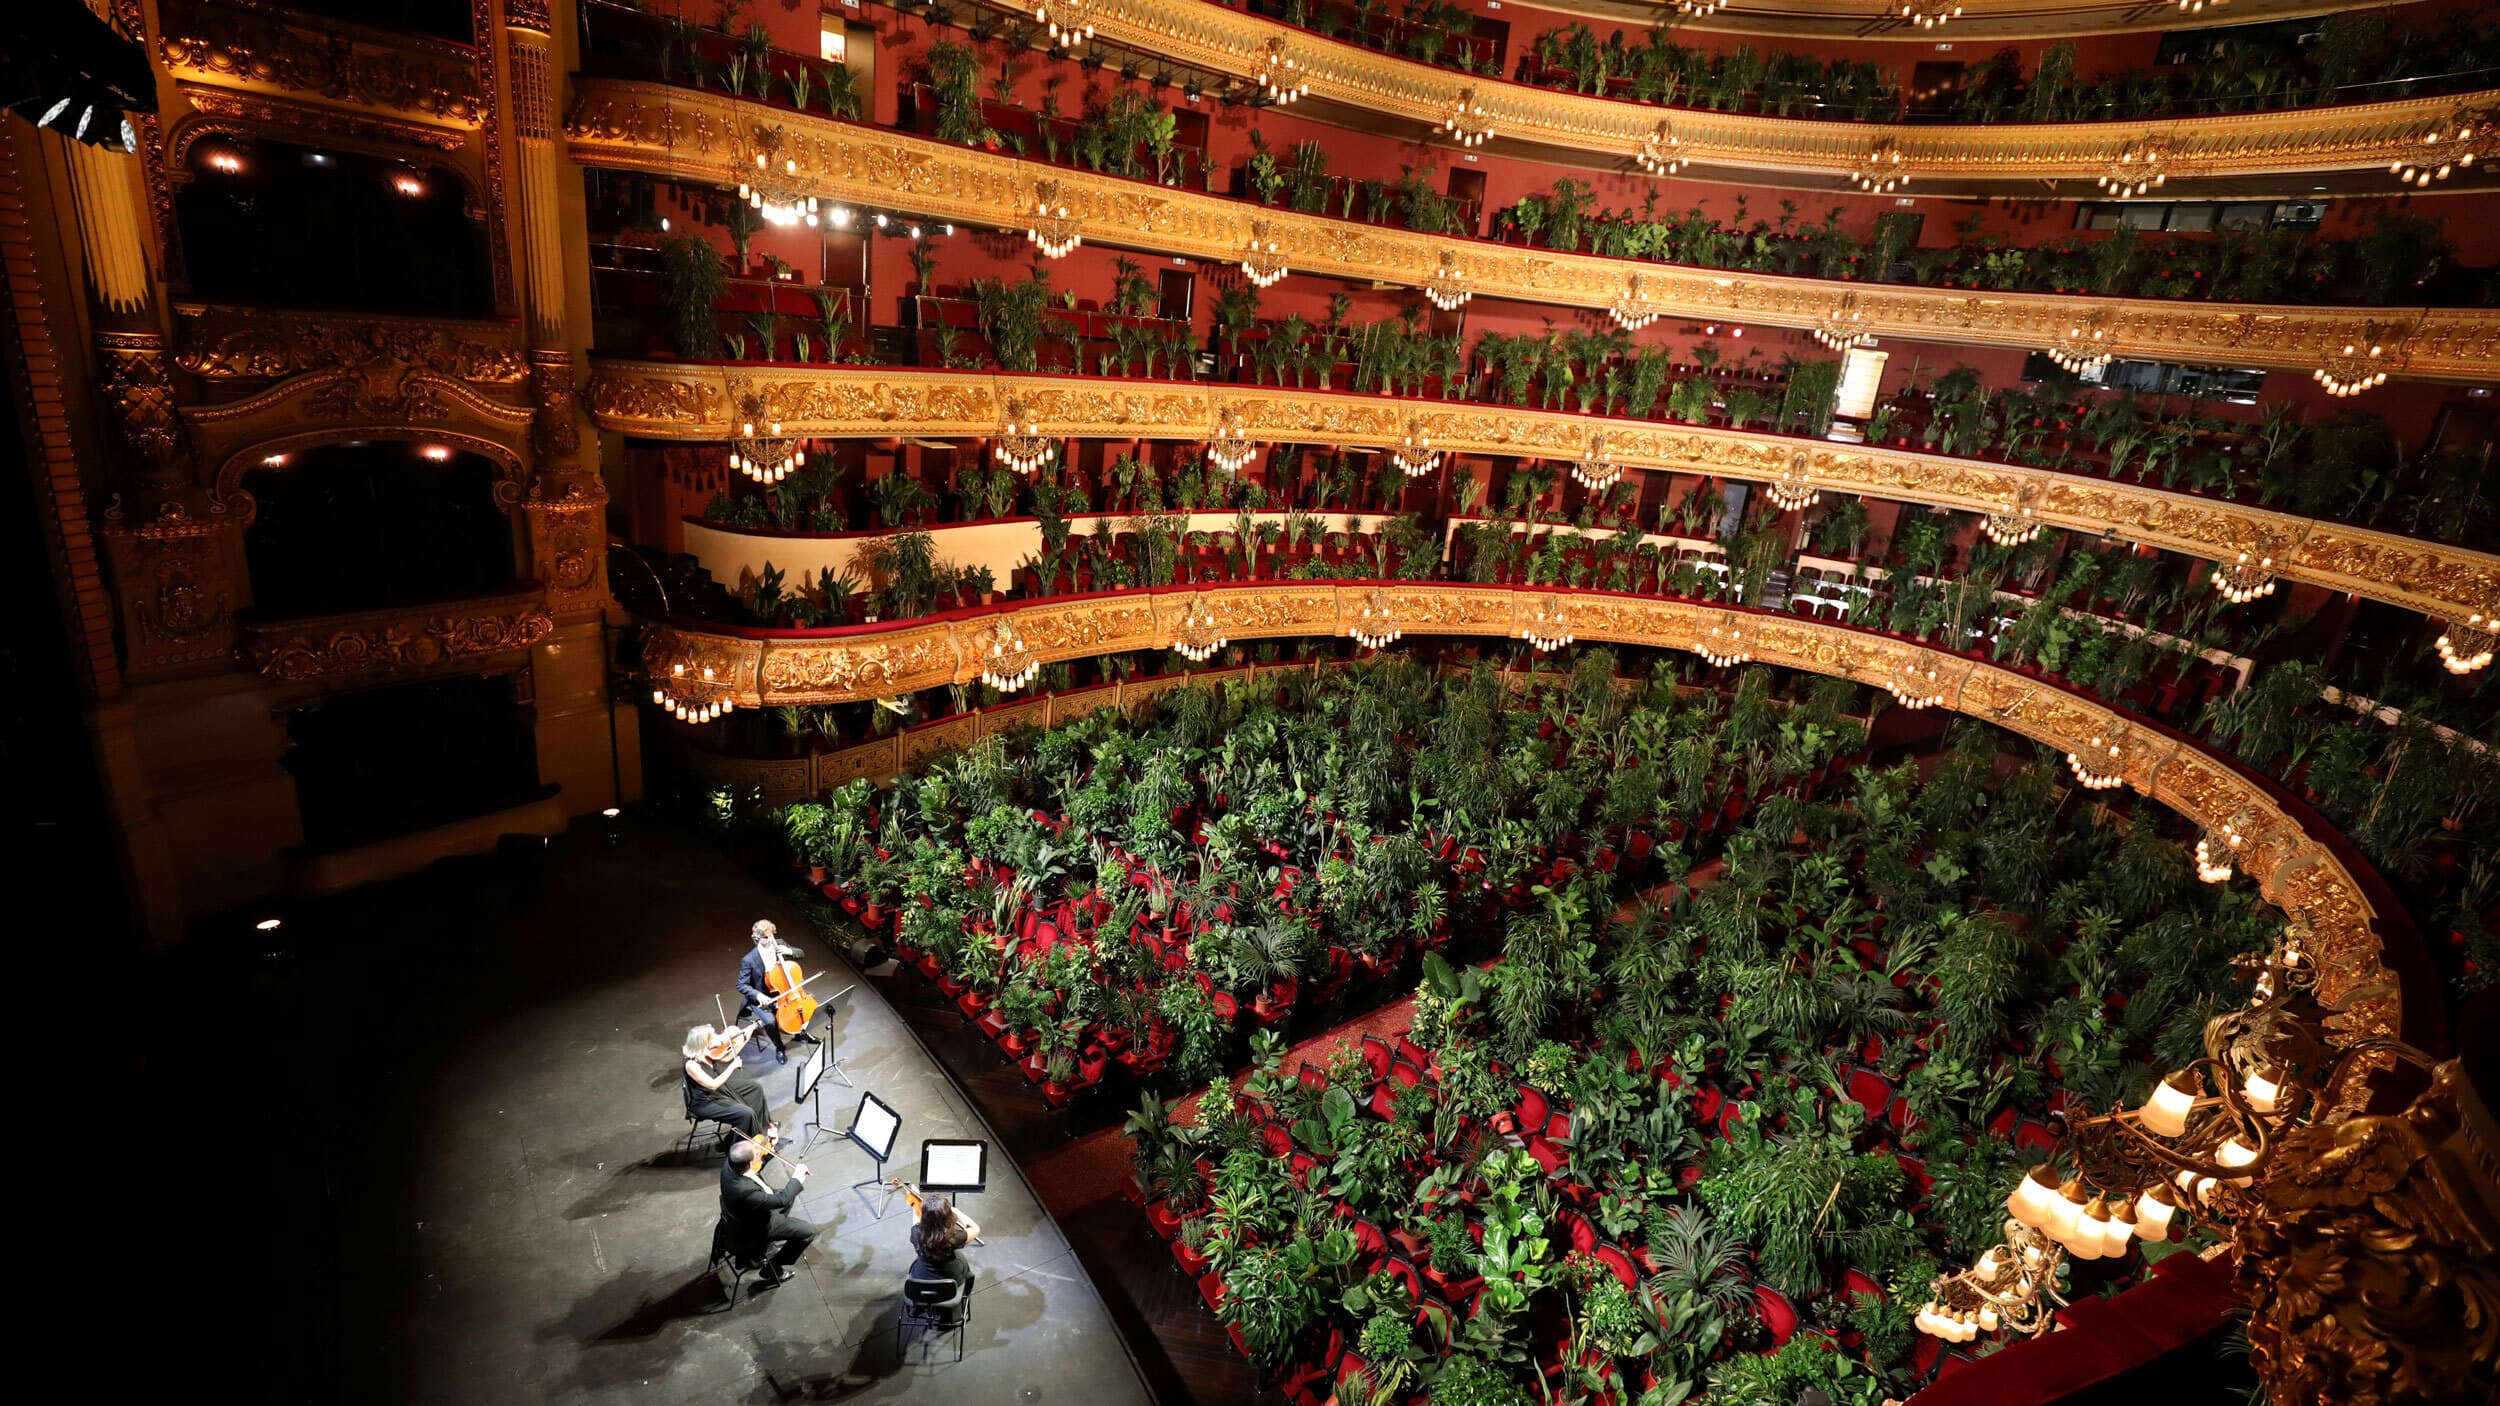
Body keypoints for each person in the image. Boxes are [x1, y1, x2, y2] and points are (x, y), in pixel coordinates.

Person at [720, 1139, 815, 1283]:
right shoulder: (746, 1192)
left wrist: (770, 1144)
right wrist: (798, 1177)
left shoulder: (731, 1163)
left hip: (741, 1215)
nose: (759, 1152)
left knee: (788, 1195)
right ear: (749, 1164)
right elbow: (781, 1201)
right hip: (756, 1228)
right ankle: (772, 1269)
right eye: (756, 1153)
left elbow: (756, 1165)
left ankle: (771, 1242)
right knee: (808, 1232)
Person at [736, 920, 819, 1063]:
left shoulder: (778, 942)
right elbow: (741, 985)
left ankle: (801, 1033)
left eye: (771, 936)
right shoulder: (749, 960)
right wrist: (758, 995)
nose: (770, 940)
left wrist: (789, 951)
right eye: (765, 938)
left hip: (785, 990)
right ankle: (780, 1047)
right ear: (757, 938)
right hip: (764, 996)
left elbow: (801, 953)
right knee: (769, 1022)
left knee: (801, 1008)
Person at [682, 1023, 779, 1140]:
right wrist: (732, 1067)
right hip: (705, 1102)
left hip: (720, 1090)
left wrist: (748, 1033)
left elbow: (727, 1057)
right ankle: (743, 1147)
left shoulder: (709, 1052)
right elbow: (712, 1085)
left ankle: (762, 1128)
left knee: (755, 1088)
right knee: (746, 1113)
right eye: (712, 1038)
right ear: (703, 1044)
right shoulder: (691, 1064)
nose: (717, 1038)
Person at [908, 1194, 976, 1291]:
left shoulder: (916, 1233)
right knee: (961, 1258)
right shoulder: (953, 1238)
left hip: (920, 1279)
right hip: (950, 1282)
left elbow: (916, 1218)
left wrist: (915, 1198)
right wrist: (956, 1211)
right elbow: (975, 1228)